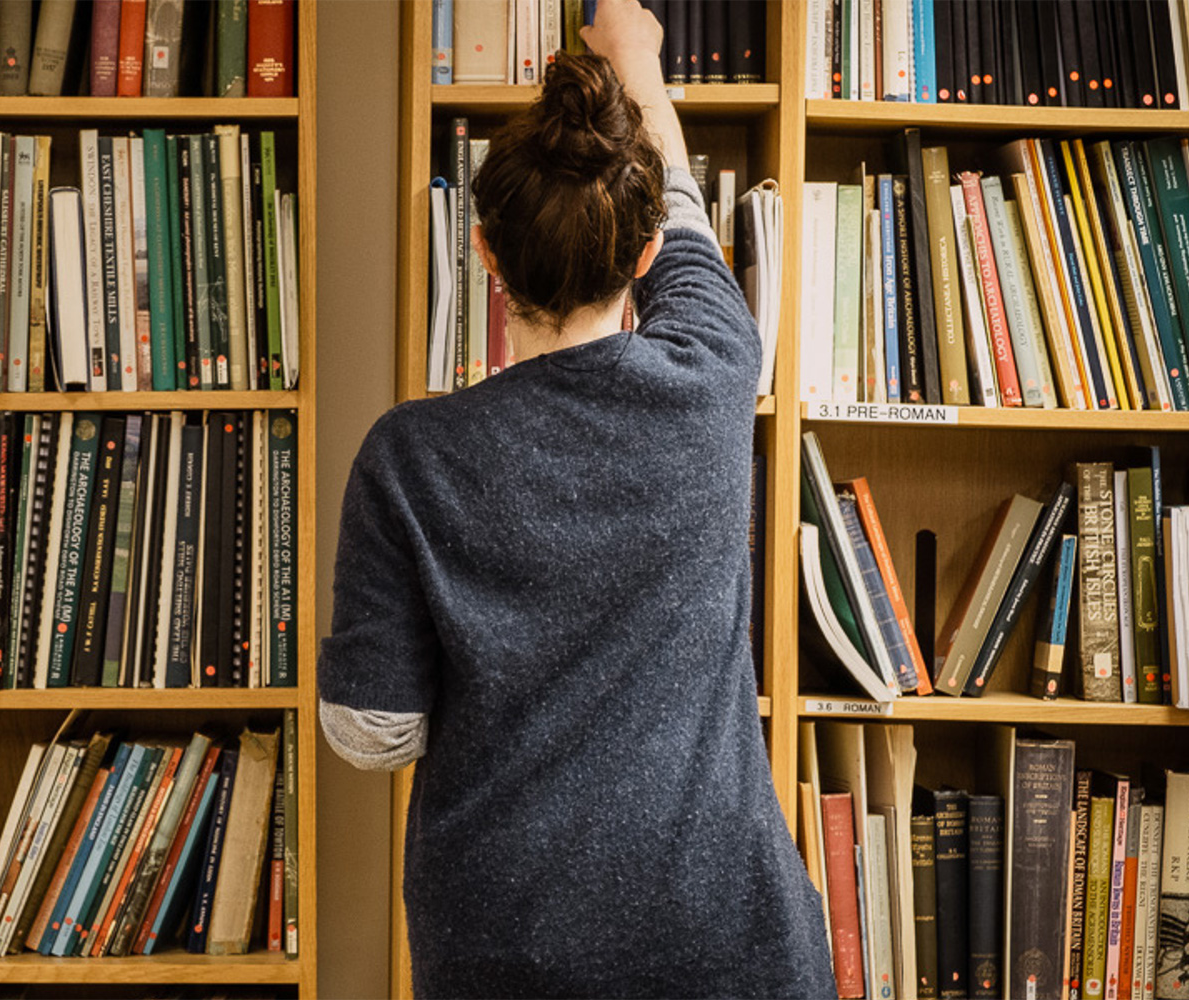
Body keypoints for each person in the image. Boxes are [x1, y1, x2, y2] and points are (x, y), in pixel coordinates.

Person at [317, 1, 835, 995]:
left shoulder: (409, 453)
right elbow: (677, 197)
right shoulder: (714, 368)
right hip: (723, 932)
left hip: (504, 939)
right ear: (641, 261)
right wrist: (633, 54)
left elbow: (371, 733)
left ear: (483, 256)